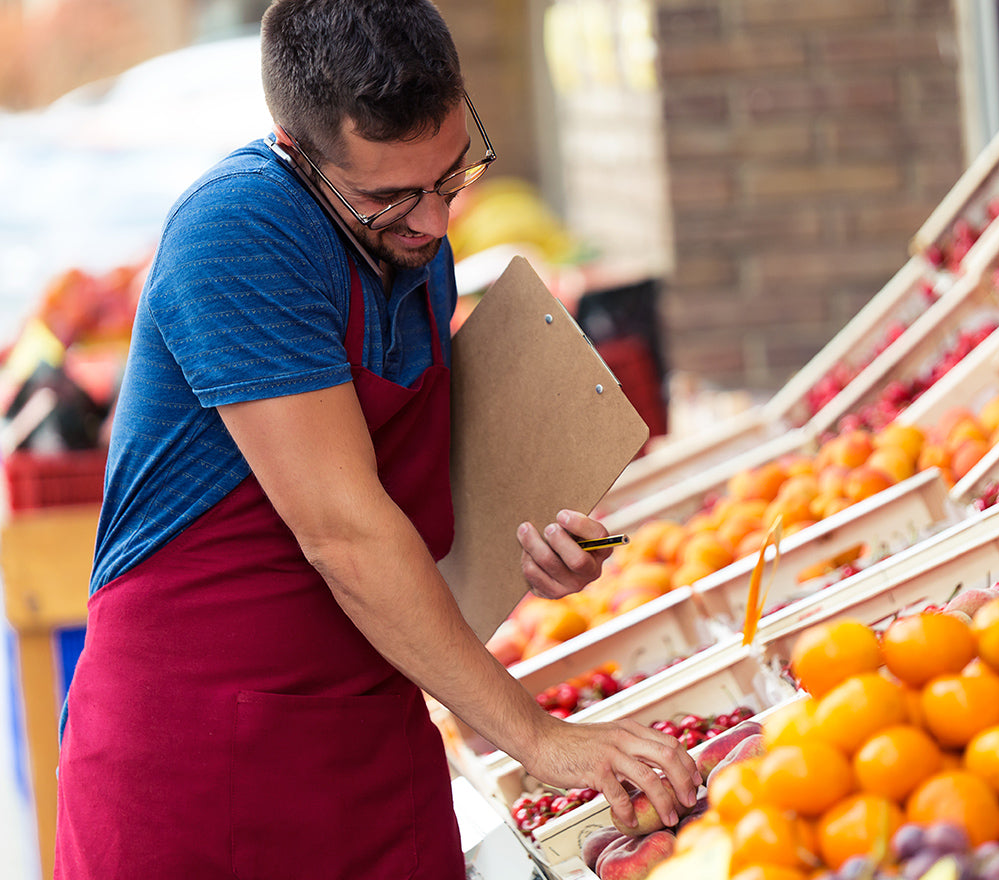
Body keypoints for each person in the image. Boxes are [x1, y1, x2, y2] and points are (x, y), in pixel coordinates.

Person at [53, 1, 699, 876]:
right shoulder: (238, 232)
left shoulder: (409, 242)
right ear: (293, 145)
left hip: (368, 717)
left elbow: (418, 503)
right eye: (389, 198)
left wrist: (531, 546)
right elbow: (345, 531)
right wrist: (535, 738)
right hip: (202, 753)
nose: (433, 225)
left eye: (450, 176)